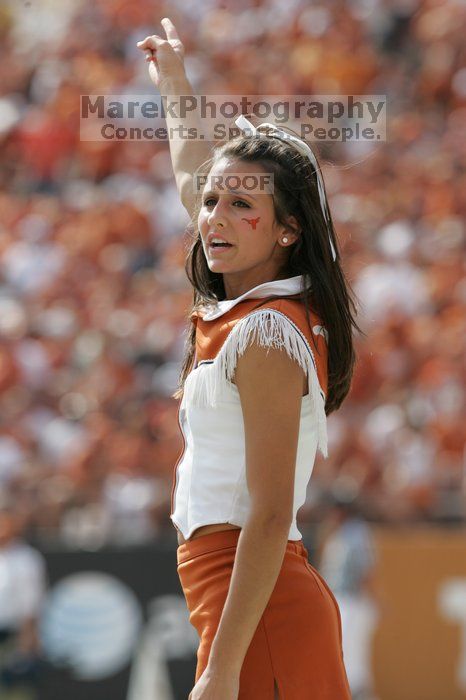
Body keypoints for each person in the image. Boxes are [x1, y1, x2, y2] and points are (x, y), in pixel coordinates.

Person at [137, 18, 363, 700]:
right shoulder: (251, 312)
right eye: (212, 202)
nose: (214, 217)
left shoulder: (267, 333)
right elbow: (189, 173)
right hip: (241, 596)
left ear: (289, 231)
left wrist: (221, 668)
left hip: (263, 609)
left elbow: (267, 516)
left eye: (242, 205)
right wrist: (175, 83)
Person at [317, 491, 381, 700]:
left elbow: (365, 570)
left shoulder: (357, 532)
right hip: (341, 600)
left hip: (353, 602)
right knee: (344, 656)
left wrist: (373, 598)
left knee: (353, 658)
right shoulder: (339, 533)